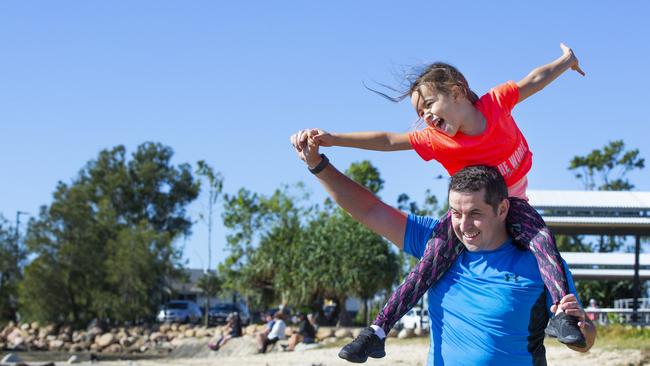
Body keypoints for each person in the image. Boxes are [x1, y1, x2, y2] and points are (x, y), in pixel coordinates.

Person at [291, 43, 587, 361]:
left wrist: (565, 60)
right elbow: (388, 140)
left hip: (516, 203)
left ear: (458, 91)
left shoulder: (497, 103)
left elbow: (535, 79)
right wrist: (334, 140)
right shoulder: (437, 140)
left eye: (430, 103)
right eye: (420, 112)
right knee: (428, 264)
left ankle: (563, 315)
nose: (427, 116)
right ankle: (376, 332)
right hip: (485, 209)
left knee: (543, 240)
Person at [291, 139, 596, 364]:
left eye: (475, 212)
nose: (464, 225)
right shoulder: (437, 243)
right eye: (455, 212)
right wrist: (318, 166)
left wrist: (584, 328)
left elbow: (584, 342)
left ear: (503, 208)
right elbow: (371, 210)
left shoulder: (539, 263)